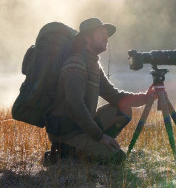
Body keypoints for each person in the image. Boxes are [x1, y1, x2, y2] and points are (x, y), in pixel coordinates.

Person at [45, 18, 155, 164]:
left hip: (81, 127)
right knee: (117, 158)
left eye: (106, 34)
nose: (106, 37)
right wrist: (100, 137)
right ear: (87, 37)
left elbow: (114, 96)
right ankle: (65, 152)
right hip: (67, 133)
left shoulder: (93, 64)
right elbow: (75, 106)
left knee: (123, 110)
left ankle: (93, 148)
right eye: (101, 33)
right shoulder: (75, 65)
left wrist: (145, 98)